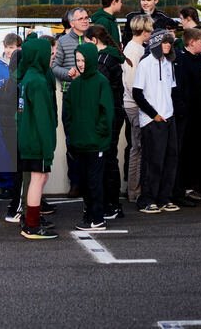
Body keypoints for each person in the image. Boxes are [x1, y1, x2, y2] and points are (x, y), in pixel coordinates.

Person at [65, 42, 114, 231]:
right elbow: (68, 111)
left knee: (95, 181)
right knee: (85, 181)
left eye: (84, 60)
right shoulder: (75, 83)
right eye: (78, 60)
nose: (81, 64)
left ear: (92, 59)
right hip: (80, 143)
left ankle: (97, 217)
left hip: (96, 143)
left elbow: (106, 112)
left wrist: (99, 134)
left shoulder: (101, 82)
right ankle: (90, 214)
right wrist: (73, 132)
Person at [16, 37, 59, 239]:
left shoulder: (27, 77)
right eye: (48, 54)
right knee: (37, 178)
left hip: (28, 137)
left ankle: (31, 220)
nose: (53, 57)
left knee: (39, 178)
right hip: (37, 140)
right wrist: (48, 147)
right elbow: (42, 118)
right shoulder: (38, 81)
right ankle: (31, 224)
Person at [133, 30, 179, 214]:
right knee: (153, 161)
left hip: (169, 118)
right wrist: (154, 115)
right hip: (152, 120)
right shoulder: (145, 64)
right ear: (155, 44)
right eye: (164, 42)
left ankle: (164, 197)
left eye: (170, 42)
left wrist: (171, 113)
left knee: (170, 160)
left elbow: (172, 90)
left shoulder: (169, 63)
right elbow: (137, 93)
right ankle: (147, 199)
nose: (168, 45)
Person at [83, 25, 126, 220]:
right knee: (109, 157)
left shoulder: (103, 61)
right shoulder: (111, 57)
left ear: (93, 40)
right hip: (115, 112)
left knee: (107, 158)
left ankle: (112, 204)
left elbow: (99, 91)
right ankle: (112, 203)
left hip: (109, 114)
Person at [51, 6, 91, 195]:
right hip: (71, 97)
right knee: (72, 141)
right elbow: (54, 66)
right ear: (72, 23)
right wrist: (68, 73)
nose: (85, 20)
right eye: (81, 18)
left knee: (91, 139)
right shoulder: (63, 41)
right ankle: (75, 182)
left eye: (86, 17)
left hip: (91, 96)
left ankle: (90, 181)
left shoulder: (94, 38)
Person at [173, 27, 201, 204]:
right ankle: (184, 189)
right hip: (187, 116)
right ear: (191, 42)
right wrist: (182, 110)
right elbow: (179, 88)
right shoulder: (181, 60)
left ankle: (197, 187)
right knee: (186, 153)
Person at [123, 15, 154, 204]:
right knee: (138, 148)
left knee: (137, 147)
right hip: (135, 105)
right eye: (149, 30)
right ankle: (134, 190)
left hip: (132, 104)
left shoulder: (133, 48)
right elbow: (133, 84)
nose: (151, 33)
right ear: (144, 31)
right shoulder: (136, 50)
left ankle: (133, 189)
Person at [0, 33, 20, 200]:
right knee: (3, 152)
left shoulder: (23, 64)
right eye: (8, 47)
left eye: (13, 47)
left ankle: (17, 184)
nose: (10, 51)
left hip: (20, 117)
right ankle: (6, 185)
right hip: (2, 117)